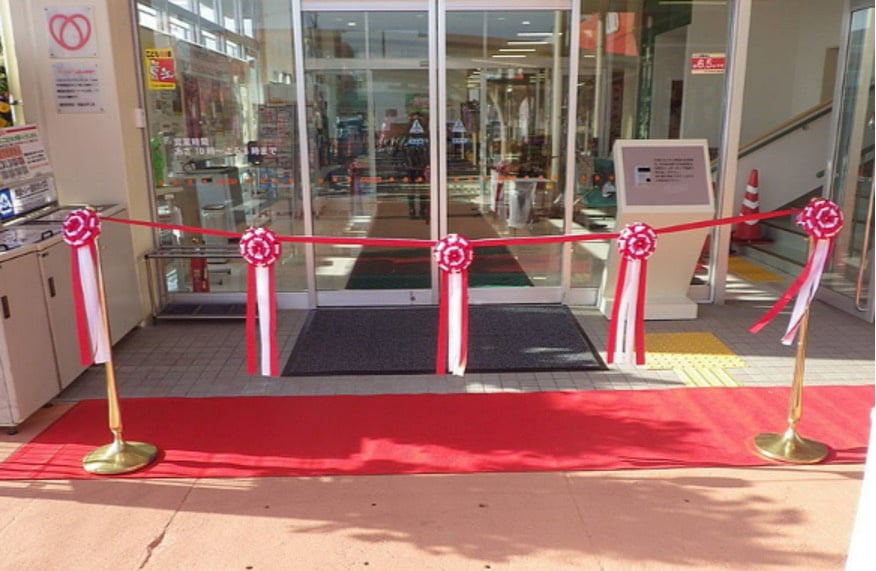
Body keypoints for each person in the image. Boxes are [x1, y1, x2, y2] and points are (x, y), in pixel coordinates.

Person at [404, 112, 430, 220]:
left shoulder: (425, 136)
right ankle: (414, 210)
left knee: (420, 189)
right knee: (414, 189)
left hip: (419, 166)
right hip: (412, 166)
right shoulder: (408, 137)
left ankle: (420, 210)